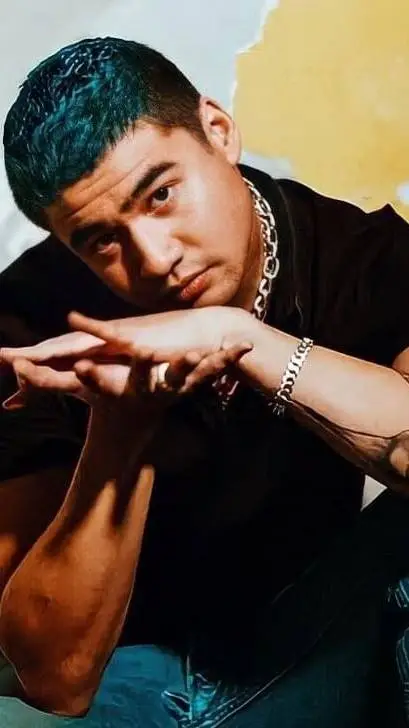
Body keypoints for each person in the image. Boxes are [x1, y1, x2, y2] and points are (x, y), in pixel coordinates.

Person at [0, 36, 409, 728]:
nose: (154, 259)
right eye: (101, 240)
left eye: (161, 194)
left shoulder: (361, 258)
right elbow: (55, 676)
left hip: (306, 637)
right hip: (138, 677)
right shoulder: (29, 324)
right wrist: (121, 430)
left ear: (217, 130)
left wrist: (243, 339)